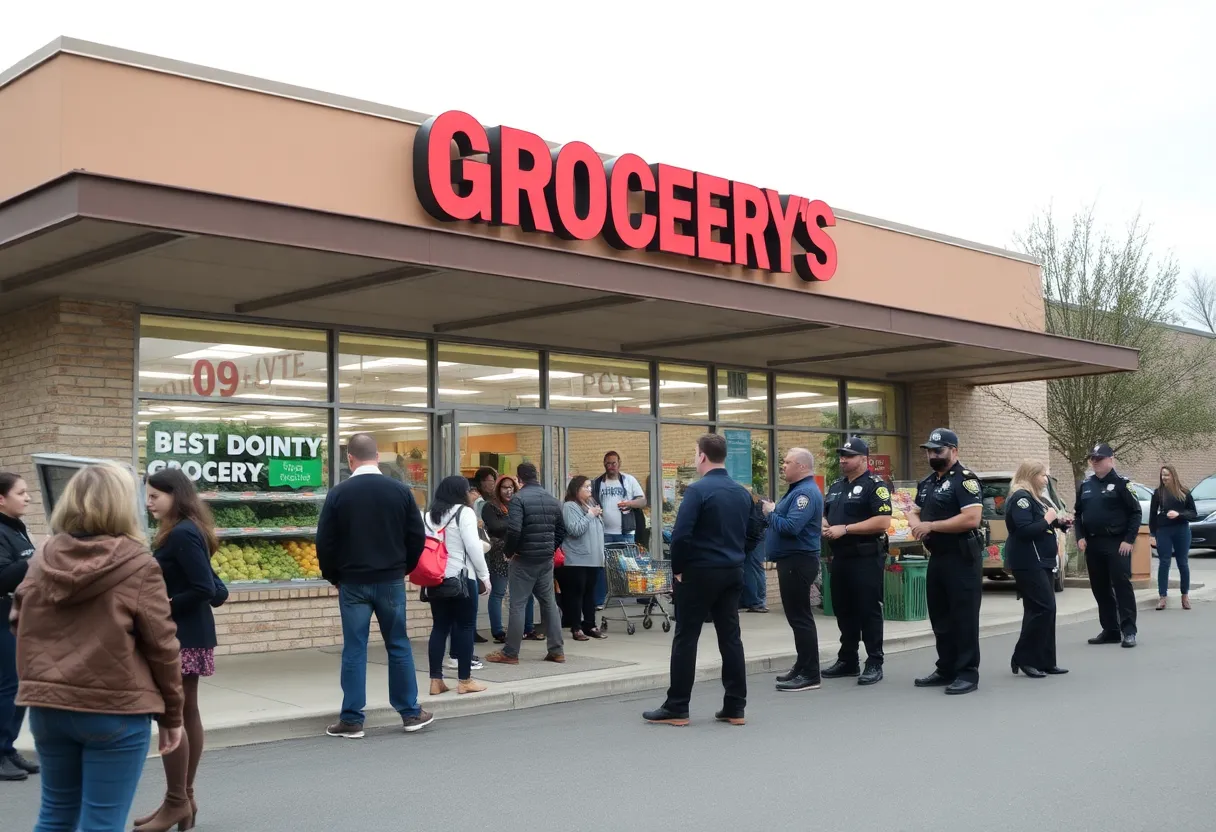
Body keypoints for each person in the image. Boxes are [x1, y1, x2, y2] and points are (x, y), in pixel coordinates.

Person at [11, 462, 184, 832]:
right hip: (115, 706)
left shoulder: (41, 556)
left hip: (48, 705)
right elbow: (162, 646)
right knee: (102, 821)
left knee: (55, 814)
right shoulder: (139, 563)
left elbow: (18, 622)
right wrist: (172, 716)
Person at [316, 432, 432, 738]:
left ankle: (352, 719)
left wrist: (334, 576)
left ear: (350, 459)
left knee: (355, 648)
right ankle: (410, 712)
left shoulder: (339, 494)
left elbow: (325, 542)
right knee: (398, 644)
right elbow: (417, 537)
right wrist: (402, 568)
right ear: (377, 457)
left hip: (352, 583)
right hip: (391, 580)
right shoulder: (401, 491)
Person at [132, 469, 222, 831]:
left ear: (175, 496)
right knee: (184, 712)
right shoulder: (184, 530)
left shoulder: (183, 532)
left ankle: (178, 801)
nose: (149, 502)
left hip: (183, 636)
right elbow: (216, 587)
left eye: (155, 496)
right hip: (187, 632)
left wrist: (164, 604)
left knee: (177, 713)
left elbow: (203, 587)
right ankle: (182, 799)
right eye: (148, 496)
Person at [643, 434, 753, 727]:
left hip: (700, 572)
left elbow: (680, 535)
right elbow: (755, 530)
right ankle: (735, 706)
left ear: (702, 456)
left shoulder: (697, 491)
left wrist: (678, 568)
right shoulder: (742, 492)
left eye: (695, 452)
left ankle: (677, 706)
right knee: (730, 637)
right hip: (732, 571)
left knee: (686, 638)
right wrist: (739, 556)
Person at [908, 428, 985, 695]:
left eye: (938, 450)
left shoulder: (965, 481)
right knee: (940, 617)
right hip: (938, 557)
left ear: (954, 451)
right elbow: (913, 512)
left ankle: (967, 673)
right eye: (929, 451)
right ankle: (946, 668)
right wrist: (918, 525)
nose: (932, 455)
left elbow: (971, 518)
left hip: (962, 557)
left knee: (963, 618)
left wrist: (932, 526)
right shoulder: (928, 482)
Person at [820, 437, 892, 686]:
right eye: (841, 455)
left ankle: (874, 661)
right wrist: (825, 524)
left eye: (848, 456)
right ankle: (848, 659)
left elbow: (883, 522)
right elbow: (826, 515)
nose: (843, 459)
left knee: (868, 610)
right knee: (844, 609)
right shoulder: (837, 485)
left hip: (865, 556)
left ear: (864, 459)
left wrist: (846, 529)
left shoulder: (875, 485)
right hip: (840, 557)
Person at [485, 462, 566, 665]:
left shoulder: (519, 499)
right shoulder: (552, 499)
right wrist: (550, 549)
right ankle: (557, 650)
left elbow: (514, 531)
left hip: (523, 559)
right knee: (549, 604)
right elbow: (562, 530)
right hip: (545, 560)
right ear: (536, 476)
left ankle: (511, 652)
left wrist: (510, 552)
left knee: (518, 604)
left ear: (519, 480)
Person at [762, 447, 825, 693]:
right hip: (792, 560)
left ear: (801, 466)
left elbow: (790, 527)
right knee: (796, 617)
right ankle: (802, 665)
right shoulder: (798, 491)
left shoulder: (805, 493)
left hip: (798, 560)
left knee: (800, 618)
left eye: (787, 462)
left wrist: (770, 513)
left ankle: (811, 673)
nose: (783, 466)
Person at [425, 476, 491, 696]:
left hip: (435, 578)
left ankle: (436, 680)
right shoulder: (465, 513)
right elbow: (472, 546)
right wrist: (484, 575)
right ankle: (465, 680)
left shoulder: (429, 516)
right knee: (464, 627)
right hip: (462, 579)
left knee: (440, 627)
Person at [1005, 460, 1070, 678]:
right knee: (1044, 608)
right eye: (1043, 475)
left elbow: (1043, 523)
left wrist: (1060, 523)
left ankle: (1045, 660)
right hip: (1028, 562)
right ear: (1031, 475)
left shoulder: (1035, 498)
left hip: (1042, 561)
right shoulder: (1020, 498)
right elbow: (1024, 530)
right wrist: (1047, 519)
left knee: (1042, 610)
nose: (1046, 479)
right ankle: (1023, 657)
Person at [1074, 443, 1143, 648]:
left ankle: (1128, 630)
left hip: (1117, 543)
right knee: (1100, 588)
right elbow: (1078, 514)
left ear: (1111, 460)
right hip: (1093, 543)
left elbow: (1135, 513)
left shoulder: (1122, 484)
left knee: (1122, 587)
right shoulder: (1086, 485)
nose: (1095, 462)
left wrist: (1129, 539)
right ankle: (1110, 629)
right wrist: (1080, 536)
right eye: (1093, 459)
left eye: (1100, 459)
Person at [0, 472, 37, 782]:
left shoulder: (16, 527)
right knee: (8, 685)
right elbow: (3, 577)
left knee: (20, 685)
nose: (28, 498)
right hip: (2, 619)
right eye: (21, 493)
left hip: (22, 618)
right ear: (1, 498)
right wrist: (37, 558)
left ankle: (8, 747)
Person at [482, 476, 539, 643]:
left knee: (526, 593)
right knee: (498, 592)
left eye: (511, 487)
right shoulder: (490, 507)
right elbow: (495, 526)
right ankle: (498, 632)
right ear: (498, 489)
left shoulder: (519, 504)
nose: (508, 490)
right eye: (504, 487)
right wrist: (516, 522)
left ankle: (528, 628)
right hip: (499, 554)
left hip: (519, 553)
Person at [591, 452, 647, 606]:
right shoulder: (597, 482)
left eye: (614, 463)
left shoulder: (629, 480)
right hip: (604, 532)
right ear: (604, 464)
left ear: (619, 463)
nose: (611, 467)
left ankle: (634, 595)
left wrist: (629, 503)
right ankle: (600, 600)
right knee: (602, 566)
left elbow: (642, 501)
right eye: (608, 464)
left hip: (626, 531)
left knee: (629, 565)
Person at [561, 475, 607, 640]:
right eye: (585, 487)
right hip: (577, 559)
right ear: (576, 489)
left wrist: (595, 513)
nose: (589, 490)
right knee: (576, 593)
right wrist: (590, 515)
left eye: (590, 486)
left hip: (594, 559)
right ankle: (576, 627)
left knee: (590, 593)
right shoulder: (570, 506)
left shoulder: (591, 504)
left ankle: (590, 624)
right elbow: (574, 529)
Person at [1150, 464, 1197, 610]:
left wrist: (1179, 515)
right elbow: (1152, 516)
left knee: (1183, 563)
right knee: (1164, 562)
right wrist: (1152, 534)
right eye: (1162, 475)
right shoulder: (1158, 493)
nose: (1164, 477)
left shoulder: (1184, 492)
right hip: (1163, 531)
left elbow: (1193, 513)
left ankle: (1185, 596)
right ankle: (1162, 597)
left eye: (1167, 475)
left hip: (1181, 530)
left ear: (1173, 476)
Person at [740, 490, 769, 613]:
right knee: (756, 568)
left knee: (752, 569)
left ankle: (756, 601)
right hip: (757, 539)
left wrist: (748, 544)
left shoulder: (753, 505)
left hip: (754, 541)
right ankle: (758, 601)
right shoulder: (758, 503)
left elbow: (753, 526)